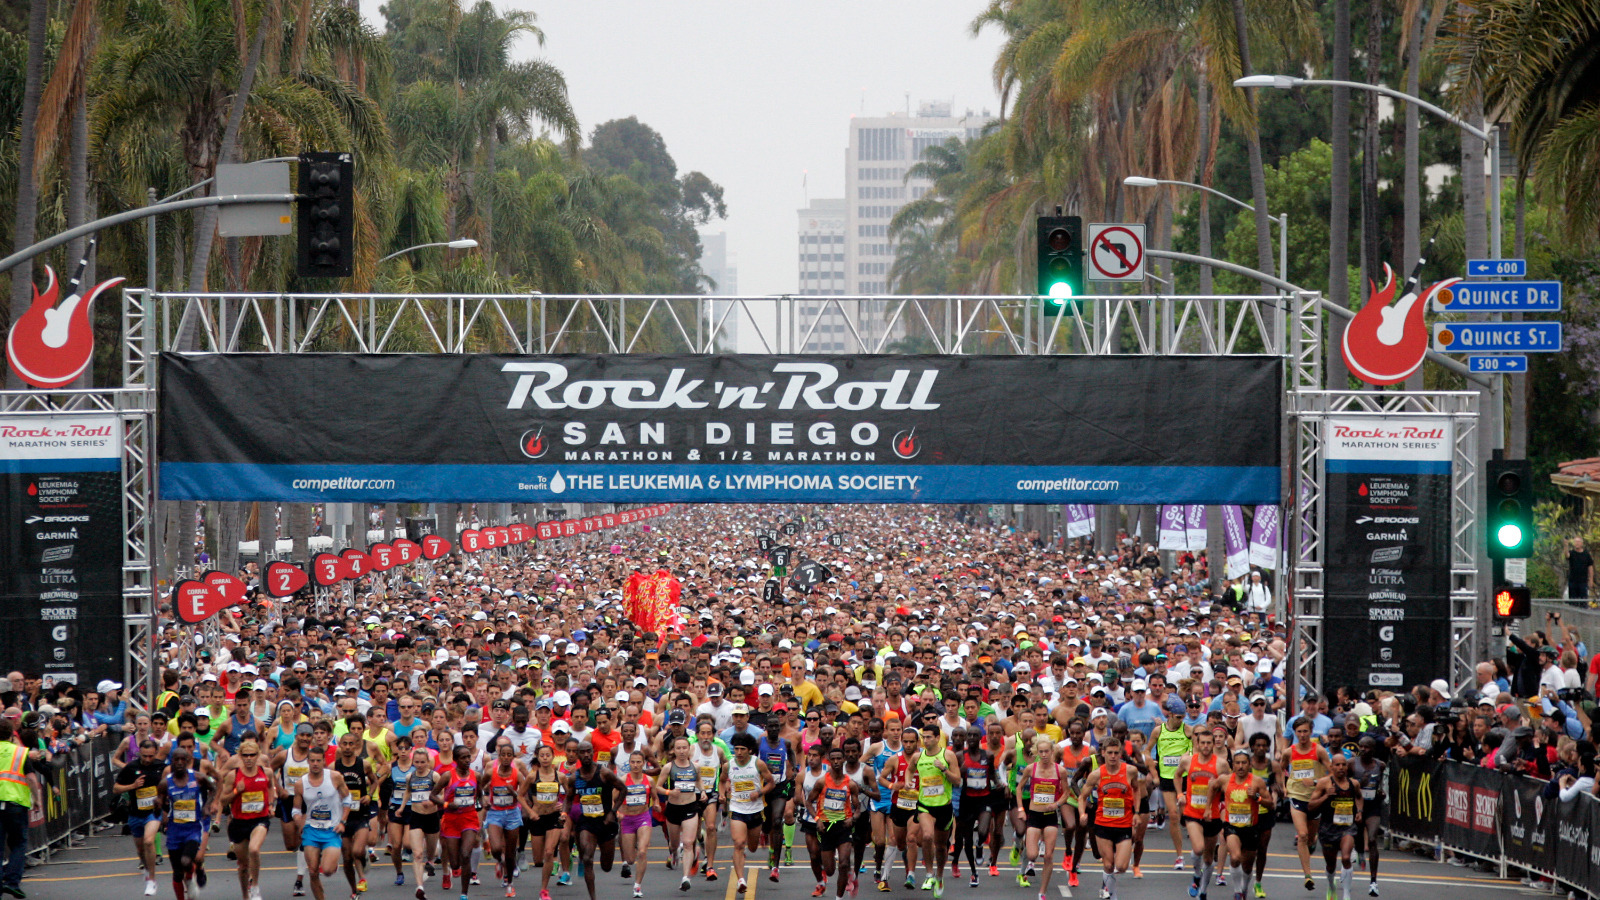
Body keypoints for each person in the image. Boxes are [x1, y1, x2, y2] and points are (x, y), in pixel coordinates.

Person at [1079, 737, 1141, 900]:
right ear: (1103, 753)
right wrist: (1082, 813)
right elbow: (1082, 796)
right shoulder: (1096, 774)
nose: (1113, 756)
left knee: (1121, 866)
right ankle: (1109, 893)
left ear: (1120, 753)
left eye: (1116, 753)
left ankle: (1107, 883)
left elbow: (1136, 789)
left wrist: (1137, 812)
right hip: (1103, 824)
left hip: (1124, 824)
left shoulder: (1130, 771)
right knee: (1108, 864)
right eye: (1110, 753)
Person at [218, 737, 276, 900]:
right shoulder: (233, 775)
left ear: (258, 756)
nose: (249, 758)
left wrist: (271, 804)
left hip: (259, 820)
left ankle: (255, 886)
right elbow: (223, 801)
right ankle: (245, 895)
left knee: (254, 849)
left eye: (252, 755)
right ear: (240, 756)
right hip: (239, 822)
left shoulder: (266, 772)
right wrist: (237, 791)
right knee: (243, 866)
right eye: (245, 755)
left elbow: (271, 786)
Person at [566, 741, 622, 900]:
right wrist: (564, 814)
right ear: (577, 755)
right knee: (587, 858)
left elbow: (623, 789)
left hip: (606, 822)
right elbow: (569, 799)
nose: (586, 755)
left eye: (588, 752)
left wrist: (613, 812)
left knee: (606, 867)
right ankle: (593, 897)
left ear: (593, 752)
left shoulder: (604, 773)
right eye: (582, 752)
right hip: (587, 822)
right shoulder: (574, 777)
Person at [292, 747, 350, 900]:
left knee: (328, 871)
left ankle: (332, 862)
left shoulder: (335, 777)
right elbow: (296, 809)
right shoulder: (300, 784)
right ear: (308, 762)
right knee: (312, 872)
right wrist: (299, 821)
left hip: (332, 829)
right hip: (311, 829)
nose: (315, 764)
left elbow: (348, 799)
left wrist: (343, 821)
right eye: (312, 761)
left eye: (319, 760)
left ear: (324, 761)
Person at [808, 745, 865, 900]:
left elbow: (858, 807)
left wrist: (852, 818)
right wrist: (817, 819)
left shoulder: (850, 784)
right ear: (829, 761)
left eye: (839, 758)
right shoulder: (821, 782)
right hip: (826, 827)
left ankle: (839, 898)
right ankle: (832, 860)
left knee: (844, 864)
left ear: (844, 760)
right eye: (833, 759)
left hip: (843, 827)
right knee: (830, 870)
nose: (836, 762)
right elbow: (809, 802)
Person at [1282, 717, 1331, 891]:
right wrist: (1284, 786)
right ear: (1295, 733)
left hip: (1315, 799)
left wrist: (1317, 782)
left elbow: (1331, 773)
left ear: (1311, 731)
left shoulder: (1319, 751)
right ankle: (1308, 875)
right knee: (1301, 835)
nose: (1302, 735)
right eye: (1299, 732)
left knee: (1310, 838)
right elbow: (1281, 768)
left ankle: (1312, 842)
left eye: (1305, 731)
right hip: (1296, 796)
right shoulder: (1289, 752)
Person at [723, 732, 775, 896]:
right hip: (737, 808)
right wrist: (722, 791)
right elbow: (722, 779)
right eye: (736, 749)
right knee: (739, 843)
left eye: (742, 749)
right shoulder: (729, 765)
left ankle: (759, 837)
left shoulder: (758, 764)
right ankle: (741, 880)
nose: (738, 752)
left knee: (752, 848)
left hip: (755, 810)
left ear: (750, 750)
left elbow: (771, 783)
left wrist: (759, 793)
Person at [116, 737, 170, 896]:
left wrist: (163, 800)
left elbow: (171, 785)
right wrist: (132, 786)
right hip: (135, 814)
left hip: (153, 813)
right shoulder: (131, 767)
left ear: (156, 753)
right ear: (139, 753)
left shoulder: (162, 767)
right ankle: (146, 868)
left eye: (151, 756)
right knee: (140, 849)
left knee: (149, 840)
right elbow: (116, 788)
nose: (147, 759)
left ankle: (152, 880)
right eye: (144, 756)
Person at [1177, 728, 1225, 900]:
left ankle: (1203, 890)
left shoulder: (1221, 764)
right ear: (1197, 744)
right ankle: (1196, 876)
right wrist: (1179, 794)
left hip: (1212, 814)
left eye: (1208, 743)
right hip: (1192, 812)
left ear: (1214, 744)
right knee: (1198, 848)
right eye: (1202, 743)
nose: (1205, 746)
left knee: (1208, 857)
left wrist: (1218, 785)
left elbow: (1230, 784)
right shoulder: (1188, 761)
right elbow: (1177, 776)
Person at [160, 747, 213, 900]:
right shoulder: (165, 783)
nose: (180, 763)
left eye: (183, 759)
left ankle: (192, 876)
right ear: (171, 762)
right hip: (174, 829)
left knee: (186, 860)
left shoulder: (197, 778)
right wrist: (159, 810)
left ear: (188, 761)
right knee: (177, 873)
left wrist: (208, 805)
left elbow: (213, 788)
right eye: (176, 759)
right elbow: (161, 804)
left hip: (193, 828)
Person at [1307, 754, 1362, 900]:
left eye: (1343, 765)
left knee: (1345, 857)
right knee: (1331, 865)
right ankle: (1331, 885)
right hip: (1328, 828)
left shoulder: (1354, 783)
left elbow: (1359, 797)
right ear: (1331, 767)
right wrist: (1326, 796)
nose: (1340, 768)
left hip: (1347, 827)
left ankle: (1346, 895)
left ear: (1347, 767)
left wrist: (1360, 811)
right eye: (1337, 765)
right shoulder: (1324, 783)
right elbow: (1311, 806)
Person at [1016, 733, 1064, 900]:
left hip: (1050, 816)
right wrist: (1021, 809)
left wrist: (1057, 804)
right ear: (1037, 752)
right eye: (1041, 752)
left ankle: (1042, 891)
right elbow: (1019, 788)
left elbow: (1066, 793)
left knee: (1049, 856)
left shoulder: (1060, 770)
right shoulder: (1031, 769)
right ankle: (1026, 847)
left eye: (1047, 751)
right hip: (1034, 814)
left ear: (1052, 751)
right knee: (1031, 854)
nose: (1044, 755)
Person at [479, 739, 528, 898]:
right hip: (495, 813)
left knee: (510, 852)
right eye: (503, 755)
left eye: (509, 755)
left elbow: (523, 794)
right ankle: (499, 862)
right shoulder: (490, 773)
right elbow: (479, 787)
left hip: (512, 812)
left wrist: (513, 793)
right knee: (496, 849)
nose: (506, 758)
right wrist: (483, 800)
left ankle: (509, 882)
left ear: (513, 757)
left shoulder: (517, 774)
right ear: (498, 756)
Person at [332, 731, 378, 898]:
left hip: (360, 814)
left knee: (357, 851)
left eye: (351, 744)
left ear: (356, 746)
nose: (348, 747)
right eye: (345, 744)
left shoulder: (363, 764)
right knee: (347, 856)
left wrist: (368, 795)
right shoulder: (334, 767)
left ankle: (364, 857)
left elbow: (374, 781)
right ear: (340, 745)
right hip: (343, 817)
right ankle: (355, 886)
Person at [1219, 748, 1270, 900]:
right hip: (1231, 826)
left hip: (1251, 828)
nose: (1240, 766)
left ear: (1249, 765)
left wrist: (1257, 797)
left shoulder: (1257, 781)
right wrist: (1209, 809)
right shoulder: (1225, 780)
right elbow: (1212, 788)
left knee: (1247, 866)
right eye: (1237, 763)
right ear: (1233, 765)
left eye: (1244, 763)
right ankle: (1237, 892)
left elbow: (1271, 804)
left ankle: (1244, 888)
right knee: (1235, 858)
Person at [656, 735, 705, 893]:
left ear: (689, 749)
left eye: (685, 748)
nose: (682, 751)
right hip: (673, 809)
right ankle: (674, 853)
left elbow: (698, 781)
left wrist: (702, 791)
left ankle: (685, 878)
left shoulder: (695, 766)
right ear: (674, 750)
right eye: (678, 748)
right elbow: (657, 787)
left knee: (689, 842)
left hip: (690, 807)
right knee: (674, 844)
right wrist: (669, 791)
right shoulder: (668, 767)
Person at [1153, 697, 1193, 873]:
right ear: (1169, 715)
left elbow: (1197, 750)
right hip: (1167, 778)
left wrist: (1188, 756)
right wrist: (1153, 770)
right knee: (1174, 815)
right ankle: (1180, 856)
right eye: (1178, 717)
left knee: (1187, 816)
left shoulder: (1188, 731)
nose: (1180, 720)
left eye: (1183, 717)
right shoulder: (1158, 731)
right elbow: (1147, 751)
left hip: (1185, 778)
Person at [436, 745, 482, 899]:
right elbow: (432, 795)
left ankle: (464, 894)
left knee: (466, 854)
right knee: (455, 863)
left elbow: (480, 794)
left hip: (469, 818)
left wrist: (483, 805)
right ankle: (453, 869)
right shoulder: (448, 776)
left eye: (468, 757)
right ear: (455, 760)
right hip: (451, 820)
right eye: (463, 757)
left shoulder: (476, 776)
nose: (467, 760)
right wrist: (447, 804)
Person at [399, 747, 443, 900]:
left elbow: (441, 795)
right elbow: (408, 792)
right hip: (416, 817)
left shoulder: (434, 776)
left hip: (431, 817)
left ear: (428, 762)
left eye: (423, 762)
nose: (420, 765)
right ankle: (420, 887)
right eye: (417, 762)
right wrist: (402, 807)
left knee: (430, 853)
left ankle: (431, 859)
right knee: (417, 854)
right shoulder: (410, 777)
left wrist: (431, 803)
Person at [523, 745, 565, 900]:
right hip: (537, 818)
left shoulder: (560, 776)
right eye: (542, 755)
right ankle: (547, 865)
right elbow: (520, 796)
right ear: (538, 758)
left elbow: (570, 793)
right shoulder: (532, 776)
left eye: (548, 755)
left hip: (554, 817)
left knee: (549, 852)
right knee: (538, 860)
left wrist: (563, 807)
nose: (545, 758)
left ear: (553, 757)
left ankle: (544, 889)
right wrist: (531, 811)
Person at [617, 749, 655, 899]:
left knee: (642, 851)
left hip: (643, 818)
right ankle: (630, 847)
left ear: (643, 763)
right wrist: (617, 812)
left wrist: (656, 804)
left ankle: (637, 886)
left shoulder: (649, 780)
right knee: (631, 859)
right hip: (627, 819)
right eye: (632, 762)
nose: (635, 765)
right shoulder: (623, 780)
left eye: (638, 762)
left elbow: (654, 797)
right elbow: (614, 799)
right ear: (629, 763)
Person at [1568, 536, 1594, 605]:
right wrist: (1565, 545)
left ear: (1582, 543)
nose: (1577, 543)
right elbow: (1566, 555)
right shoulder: (1571, 553)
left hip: (1583, 582)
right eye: (1575, 542)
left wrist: (1591, 579)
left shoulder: (1586, 554)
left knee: (1583, 603)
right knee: (1573, 603)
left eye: (1578, 541)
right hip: (1572, 582)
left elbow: (1590, 567)